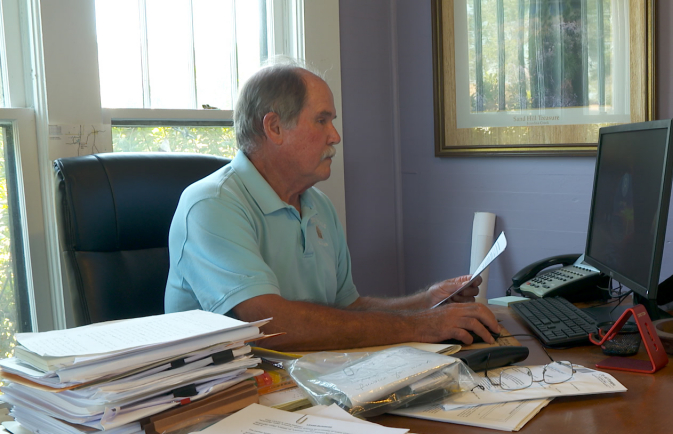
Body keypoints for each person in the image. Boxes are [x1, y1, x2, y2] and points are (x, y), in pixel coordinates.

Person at [165, 64, 499, 350]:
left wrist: (425, 302)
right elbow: (269, 323)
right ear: (274, 127)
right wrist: (420, 326)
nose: (335, 136)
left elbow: (347, 309)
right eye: (322, 120)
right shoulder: (212, 204)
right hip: (221, 404)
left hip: (307, 385)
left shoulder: (318, 205)